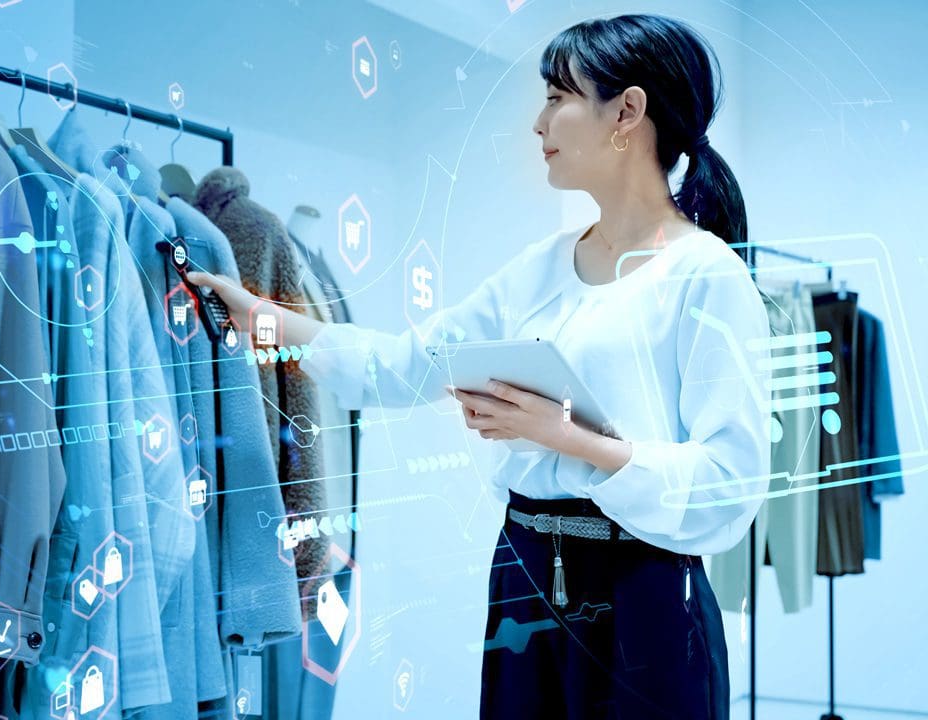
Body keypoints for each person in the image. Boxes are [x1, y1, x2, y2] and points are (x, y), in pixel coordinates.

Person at [188, 13, 770, 720]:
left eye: (558, 97)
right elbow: (399, 368)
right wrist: (264, 316)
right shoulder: (539, 270)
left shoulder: (707, 276)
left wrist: (569, 436)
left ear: (627, 112)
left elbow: (730, 485)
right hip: (523, 577)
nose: (540, 122)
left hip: (644, 595)